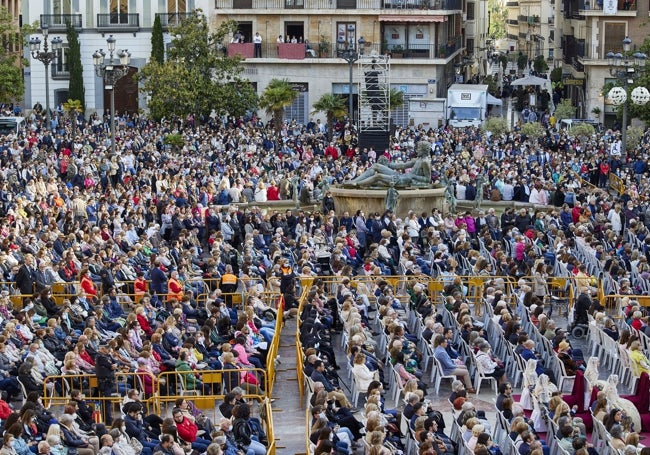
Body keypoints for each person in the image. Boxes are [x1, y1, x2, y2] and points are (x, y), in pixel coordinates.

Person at [345, 140, 432, 188]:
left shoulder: (425, 162)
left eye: (419, 149)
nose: (417, 150)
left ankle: (357, 184)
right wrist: (388, 164)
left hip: (404, 180)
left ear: (424, 150)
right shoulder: (417, 159)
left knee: (378, 176)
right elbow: (403, 165)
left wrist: (413, 176)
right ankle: (354, 181)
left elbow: (427, 179)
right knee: (376, 166)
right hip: (401, 176)